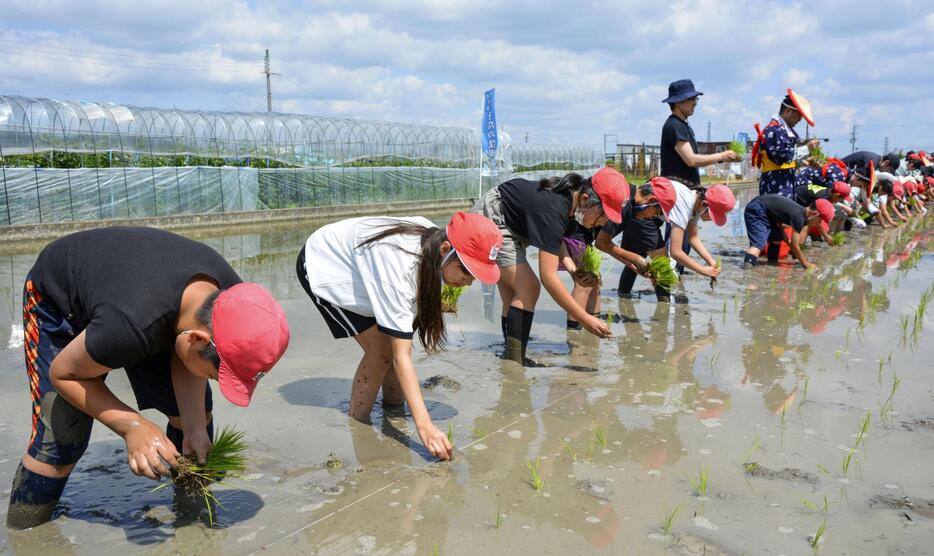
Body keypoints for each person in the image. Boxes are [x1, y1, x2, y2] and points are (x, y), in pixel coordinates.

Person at [7, 227, 290, 529]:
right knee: (61, 441)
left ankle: (189, 522)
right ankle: (24, 533)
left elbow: (185, 350)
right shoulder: (129, 327)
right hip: (60, 299)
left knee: (196, 419)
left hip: (141, 301)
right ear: (197, 339)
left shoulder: (232, 301)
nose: (217, 382)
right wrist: (132, 426)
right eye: (216, 375)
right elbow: (63, 373)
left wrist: (194, 426)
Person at [297, 212, 503, 461]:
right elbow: (399, 354)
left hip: (366, 264)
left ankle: (393, 407)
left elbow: (401, 342)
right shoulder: (399, 268)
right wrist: (425, 426)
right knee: (382, 352)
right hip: (325, 264)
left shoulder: (432, 244)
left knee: (395, 341)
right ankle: (359, 425)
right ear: (445, 249)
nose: (469, 282)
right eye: (467, 272)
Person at [472, 168, 629, 363]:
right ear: (586, 199)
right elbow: (548, 277)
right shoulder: (555, 208)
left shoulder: (571, 207)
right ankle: (515, 360)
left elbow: (556, 240)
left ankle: (512, 356)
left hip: (513, 226)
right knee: (529, 288)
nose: (601, 223)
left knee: (514, 294)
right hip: (494, 218)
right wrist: (584, 318)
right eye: (602, 216)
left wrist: (573, 270)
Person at [594, 177, 675, 302]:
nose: (654, 217)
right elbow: (601, 243)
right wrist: (635, 258)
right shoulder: (623, 202)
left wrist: (633, 264)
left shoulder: (631, 201)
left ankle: (623, 298)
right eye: (656, 212)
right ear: (651, 200)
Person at [660, 79, 740, 187]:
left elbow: (695, 158)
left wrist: (724, 158)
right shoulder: (674, 125)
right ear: (678, 102)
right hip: (677, 193)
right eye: (691, 99)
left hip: (686, 191)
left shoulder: (683, 125)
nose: (695, 103)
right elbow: (691, 160)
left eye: (695, 99)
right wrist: (721, 156)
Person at [752, 89, 819, 197]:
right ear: (789, 111)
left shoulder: (781, 130)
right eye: (799, 116)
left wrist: (804, 161)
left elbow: (787, 160)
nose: (799, 120)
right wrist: (806, 148)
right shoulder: (775, 130)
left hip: (783, 184)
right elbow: (782, 156)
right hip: (776, 185)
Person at [741, 194, 833, 270]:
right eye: (820, 221)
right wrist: (805, 263)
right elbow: (795, 244)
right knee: (758, 245)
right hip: (757, 209)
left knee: (777, 238)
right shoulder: (799, 217)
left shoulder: (799, 213)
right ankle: (747, 275)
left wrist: (792, 249)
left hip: (767, 213)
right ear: (814, 214)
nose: (818, 224)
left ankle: (771, 264)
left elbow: (782, 230)